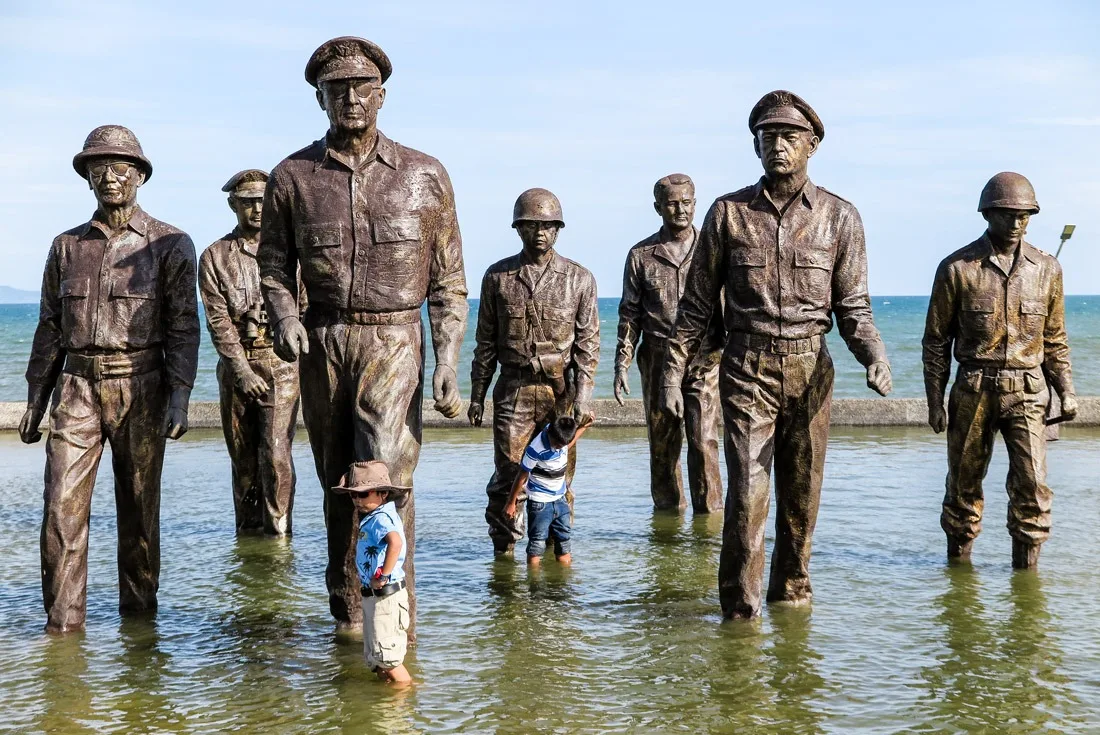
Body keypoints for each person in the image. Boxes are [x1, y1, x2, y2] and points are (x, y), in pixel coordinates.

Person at [259, 36, 467, 634]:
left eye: (362, 87)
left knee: (383, 476)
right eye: (336, 89)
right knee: (335, 482)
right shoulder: (292, 177)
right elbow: (272, 266)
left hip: (395, 340)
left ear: (382, 95)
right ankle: (348, 616)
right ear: (319, 98)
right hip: (323, 342)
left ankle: (394, 619)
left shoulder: (426, 175)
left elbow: (448, 282)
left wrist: (447, 358)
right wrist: (285, 315)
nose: (351, 98)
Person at [661, 90, 892, 619]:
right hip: (746, 369)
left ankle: (791, 601)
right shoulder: (727, 214)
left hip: (812, 368)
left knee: (801, 498)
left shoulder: (841, 218)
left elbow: (853, 306)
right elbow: (695, 307)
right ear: (756, 146)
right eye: (768, 138)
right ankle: (739, 615)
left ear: (811, 145)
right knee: (746, 495)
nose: (778, 147)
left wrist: (873, 355)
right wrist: (672, 374)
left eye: (789, 137)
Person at [20, 125, 199, 633]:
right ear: (87, 178)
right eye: (98, 169)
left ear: (140, 176)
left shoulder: (170, 244)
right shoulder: (66, 246)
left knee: (139, 513)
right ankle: (62, 629)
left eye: (120, 168)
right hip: (76, 388)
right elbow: (50, 326)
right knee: (60, 510)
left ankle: (140, 629)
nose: (110, 178)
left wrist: (180, 395)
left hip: (141, 385)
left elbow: (185, 325)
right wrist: (36, 398)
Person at [922, 172, 1076, 570]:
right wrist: (935, 403)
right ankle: (958, 576)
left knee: (1033, 487)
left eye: (1025, 214)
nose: (1017, 222)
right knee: (963, 488)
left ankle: (1026, 581)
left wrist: (1067, 390)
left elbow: (1055, 340)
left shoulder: (1047, 270)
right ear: (988, 214)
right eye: (1008, 214)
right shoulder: (957, 268)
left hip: (1027, 392)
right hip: (973, 390)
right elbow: (936, 343)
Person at [468, 188, 599, 556]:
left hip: (561, 395)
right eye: (530, 225)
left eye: (547, 226)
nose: (539, 232)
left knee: (559, 477)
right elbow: (485, 345)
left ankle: (558, 551)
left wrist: (583, 398)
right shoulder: (498, 277)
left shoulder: (580, 279)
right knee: (510, 476)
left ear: (558, 229)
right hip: (515, 389)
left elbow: (588, 347)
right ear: (518, 228)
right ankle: (504, 553)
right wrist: (477, 396)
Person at [199, 169, 301, 535]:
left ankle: (279, 532)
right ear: (233, 205)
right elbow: (217, 321)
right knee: (242, 459)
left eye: (262, 202)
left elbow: (303, 307)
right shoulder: (214, 257)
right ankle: (247, 533)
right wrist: (241, 370)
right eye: (247, 203)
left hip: (281, 365)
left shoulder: (292, 254)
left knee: (275, 455)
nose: (257, 210)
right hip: (235, 368)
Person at [615, 173, 723, 514]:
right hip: (658, 357)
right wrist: (621, 365)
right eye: (673, 204)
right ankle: (667, 521)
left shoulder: (714, 248)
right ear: (658, 207)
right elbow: (629, 315)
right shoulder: (641, 255)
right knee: (663, 445)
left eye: (687, 203)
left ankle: (709, 521)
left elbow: (732, 304)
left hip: (704, 357)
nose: (681, 210)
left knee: (704, 441)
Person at [335, 461, 412, 685]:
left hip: (386, 595)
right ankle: (384, 703)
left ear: (383, 493)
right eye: (353, 496)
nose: (358, 500)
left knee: (389, 660)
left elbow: (395, 542)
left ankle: (405, 698)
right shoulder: (373, 517)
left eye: (363, 494)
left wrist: (383, 575)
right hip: (376, 597)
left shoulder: (380, 517)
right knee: (378, 658)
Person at [504, 416, 590, 566]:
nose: (559, 448)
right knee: (537, 545)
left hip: (560, 499)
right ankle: (534, 582)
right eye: (556, 444)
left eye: (561, 445)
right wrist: (511, 503)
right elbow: (521, 477)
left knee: (564, 541)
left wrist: (584, 427)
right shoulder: (536, 449)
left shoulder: (561, 437)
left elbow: (567, 444)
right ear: (550, 433)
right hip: (540, 503)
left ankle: (563, 581)